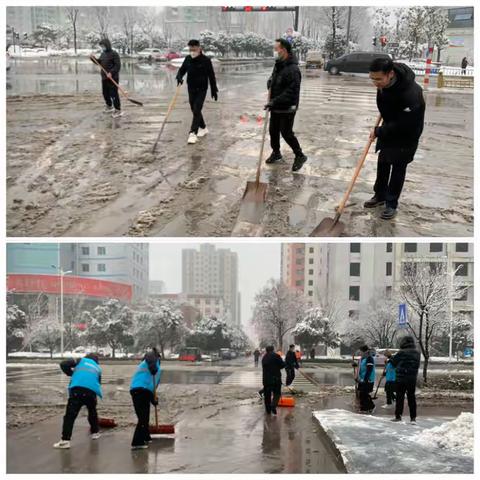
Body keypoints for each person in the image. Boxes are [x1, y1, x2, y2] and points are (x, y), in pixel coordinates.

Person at [365, 57, 425, 220]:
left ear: (390, 74)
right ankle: (380, 195)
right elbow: (387, 109)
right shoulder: (384, 85)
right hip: (390, 127)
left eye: (378, 79)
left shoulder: (411, 94)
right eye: (372, 79)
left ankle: (391, 204)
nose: (375, 83)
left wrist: (379, 131)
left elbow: (405, 124)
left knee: (398, 168)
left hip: (407, 135)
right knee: (383, 162)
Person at [265, 38, 307, 172]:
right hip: (276, 106)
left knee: (286, 133)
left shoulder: (293, 69)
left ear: (284, 50)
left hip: (287, 108)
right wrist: (270, 82)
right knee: (273, 131)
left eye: (277, 49)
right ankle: (276, 152)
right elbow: (274, 79)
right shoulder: (279, 64)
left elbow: (292, 92)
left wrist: (274, 101)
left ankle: (300, 155)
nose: (275, 51)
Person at [53, 353, 102, 449]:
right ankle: (95, 433)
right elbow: (98, 382)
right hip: (91, 392)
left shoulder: (80, 361)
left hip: (77, 390)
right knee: (92, 412)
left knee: (70, 416)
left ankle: (65, 441)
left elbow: (63, 364)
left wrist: (71, 374)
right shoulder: (98, 368)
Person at [176, 39, 218, 145]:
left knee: (197, 108)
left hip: (202, 89)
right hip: (191, 88)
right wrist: (179, 77)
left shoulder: (206, 60)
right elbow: (182, 70)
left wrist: (214, 89)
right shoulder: (188, 59)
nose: (192, 51)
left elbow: (211, 76)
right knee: (194, 109)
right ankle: (203, 127)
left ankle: (193, 133)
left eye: (194, 49)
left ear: (199, 48)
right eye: (190, 49)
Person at [130, 348, 162, 449]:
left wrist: (154, 400)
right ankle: (137, 442)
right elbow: (150, 355)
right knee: (143, 418)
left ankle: (145, 437)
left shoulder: (152, 365)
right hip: (140, 390)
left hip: (144, 391)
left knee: (145, 416)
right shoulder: (151, 360)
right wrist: (153, 365)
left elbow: (152, 387)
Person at [390, 336, 420, 424]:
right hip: (412, 378)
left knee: (400, 397)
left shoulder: (401, 352)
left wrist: (390, 357)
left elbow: (394, 362)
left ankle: (398, 416)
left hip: (401, 378)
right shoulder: (417, 353)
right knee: (411, 397)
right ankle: (413, 418)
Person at [90, 38, 122, 118]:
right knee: (105, 93)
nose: (102, 47)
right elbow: (99, 63)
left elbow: (117, 66)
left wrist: (111, 72)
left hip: (113, 78)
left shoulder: (114, 54)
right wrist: (93, 59)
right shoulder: (103, 54)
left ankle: (117, 110)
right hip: (104, 77)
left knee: (113, 94)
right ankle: (109, 106)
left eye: (103, 46)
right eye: (101, 46)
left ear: (107, 45)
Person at [261, 345, 285, 416]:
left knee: (267, 395)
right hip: (276, 379)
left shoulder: (264, 357)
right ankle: (273, 405)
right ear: (273, 349)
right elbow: (282, 365)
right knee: (277, 393)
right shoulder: (276, 356)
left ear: (266, 350)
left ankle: (268, 410)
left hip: (266, 380)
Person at [356, 345, 376, 413]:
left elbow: (369, 369)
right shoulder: (363, 358)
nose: (359, 352)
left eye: (360, 351)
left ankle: (370, 407)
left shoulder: (369, 358)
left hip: (368, 379)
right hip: (362, 378)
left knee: (364, 394)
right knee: (362, 394)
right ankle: (364, 408)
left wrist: (366, 379)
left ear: (364, 351)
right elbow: (361, 368)